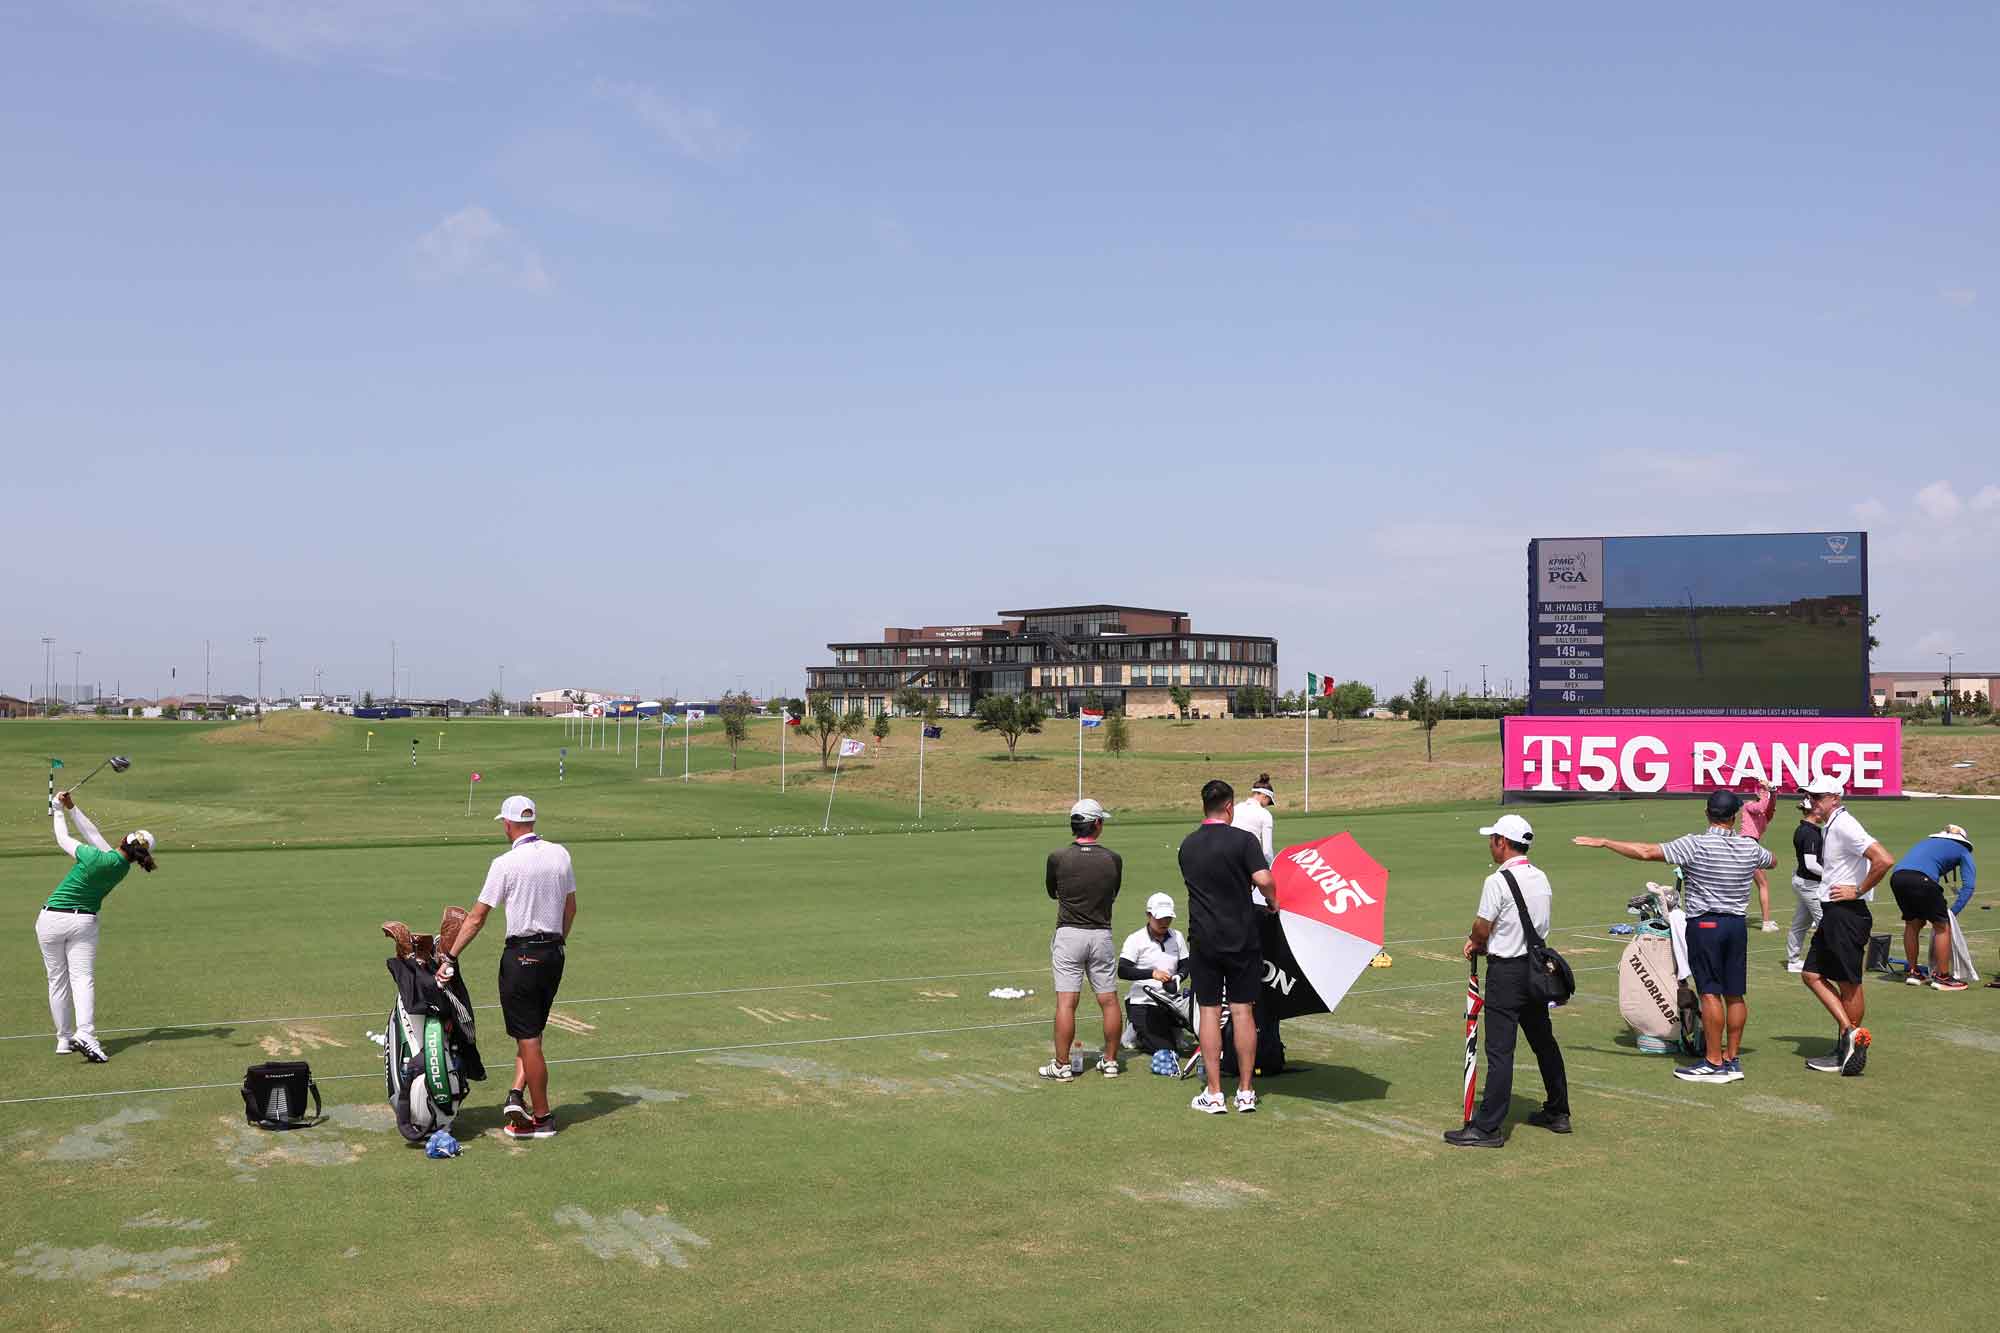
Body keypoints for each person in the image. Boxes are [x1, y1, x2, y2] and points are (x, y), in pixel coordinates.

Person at [1573, 790, 1772, 1083]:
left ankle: (1714, 1063)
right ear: (1734, 817)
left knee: (1709, 992)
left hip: (1706, 925)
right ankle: (1732, 1059)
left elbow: (1645, 852)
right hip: (1736, 926)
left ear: (1708, 814)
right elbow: (1773, 860)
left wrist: (1606, 842)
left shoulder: (1694, 844)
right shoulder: (1749, 847)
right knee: (1734, 994)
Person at [444, 794, 576, 1139]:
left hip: (521, 957)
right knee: (531, 1029)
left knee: (528, 1037)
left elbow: (476, 918)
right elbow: (571, 908)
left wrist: (451, 956)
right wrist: (556, 945)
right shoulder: (560, 853)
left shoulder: (504, 863)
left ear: (507, 824)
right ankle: (516, 1094)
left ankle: (543, 1118)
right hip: (554, 955)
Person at [1446, 814, 1569, 1148]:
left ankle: (1487, 1128)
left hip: (1507, 972)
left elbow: (1482, 927)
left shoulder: (1497, 882)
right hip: (1536, 970)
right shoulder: (1541, 877)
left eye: (1493, 839)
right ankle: (1558, 1111)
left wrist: (1476, 941)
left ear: (1502, 842)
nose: (1490, 844)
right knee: (1544, 1041)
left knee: (1500, 1051)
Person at [1177, 779, 1277, 1115]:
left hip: (1204, 938)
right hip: (1242, 937)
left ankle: (1215, 1092)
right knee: (1242, 1011)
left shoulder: (1188, 845)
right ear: (1230, 807)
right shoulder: (1243, 840)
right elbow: (1263, 879)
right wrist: (1272, 900)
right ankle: (1246, 1091)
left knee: (1209, 1012)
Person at [39, 791, 155, 1064]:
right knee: (81, 979)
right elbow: (92, 834)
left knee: (57, 980)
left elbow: (63, 839)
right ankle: (86, 1034)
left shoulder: (94, 856)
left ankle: (63, 1039)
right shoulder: (120, 867)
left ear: (122, 841)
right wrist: (72, 807)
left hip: (48, 920)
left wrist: (57, 809)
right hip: (82, 922)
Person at [1799, 776, 1893, 1076]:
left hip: (1847, 912)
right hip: (1835, 912)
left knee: (1849, 983)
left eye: (1819, 796)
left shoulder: (1844, 824)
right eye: (1811, 796)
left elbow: (1883, 859)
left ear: (1835, 798)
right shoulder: (1832, 824)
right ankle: (1849, 1033)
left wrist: (1859, 889)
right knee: (1811, 974)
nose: (1814, 801)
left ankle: (1850, 1043)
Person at [1039, 797, 1124, 1081]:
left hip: (1069, 934)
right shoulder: (1113, 859)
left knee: (1066, 1002)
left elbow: (1053, 892)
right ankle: (1111, 1061)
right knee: (1109, 1001)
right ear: (1096, 824)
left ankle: (1062, 1066)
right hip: (1101, 934)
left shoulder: (1057, 858)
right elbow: (1114, 893)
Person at [1888, 825, 1977, 992]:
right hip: (1922, 880)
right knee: (1942, 926)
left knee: (1913, 923)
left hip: (1897, 877)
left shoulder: (1927, 842)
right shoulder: (1963, 850)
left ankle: (1914, 973)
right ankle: (1942, 977)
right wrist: (1953, 912)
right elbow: (1969, 886)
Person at [1116, 892, 1189, 1056]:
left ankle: (1171, 1027)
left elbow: (1186, 964)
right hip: (1143, 1001)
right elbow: (1123, 970)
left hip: (1171, 999)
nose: (1165, 922)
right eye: (1160, 918)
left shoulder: (1177, 936)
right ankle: (1135, 1027)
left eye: (1168, 918)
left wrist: (1178, 977)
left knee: (1202, 1023)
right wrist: (1152, 973)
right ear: (1148, 915)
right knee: (1166, 1050)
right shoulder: (1135, 939)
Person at [1786, 797, 1825, 975]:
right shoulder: (1809, 833)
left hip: (1804, 882)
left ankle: (1793, 961)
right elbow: (1811, 864)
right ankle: (1827, 960)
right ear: (1813, 811)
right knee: (1826, 923)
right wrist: (1831, 875)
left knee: (1801, 922)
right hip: (1809, 885)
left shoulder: (1805, 829)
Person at [1738, 782, 1780, 932]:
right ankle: (1766, 923)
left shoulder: (1765, 814)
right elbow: (1762, 806)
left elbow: (1769, 808)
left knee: (1742, 882)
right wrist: (1765, 790)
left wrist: (1773, 792)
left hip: (1749, 845)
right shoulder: (1748, 805)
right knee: (1763, 884)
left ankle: (1737, 912)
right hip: (1746, 844)